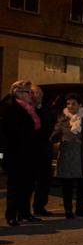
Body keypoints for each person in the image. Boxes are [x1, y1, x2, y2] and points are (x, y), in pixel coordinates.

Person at [50, 94, 83, 219]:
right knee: (67, 185)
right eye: (68, 104)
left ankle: (80, 209)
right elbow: (53, 136)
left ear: (80, 105)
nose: (70, 106)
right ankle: (68, 210)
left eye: (73, 103)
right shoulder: (62, 118)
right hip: (68, 156)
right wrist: (58, 133)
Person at [1, 80, 43, 226]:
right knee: (15, 187)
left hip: (30, 154)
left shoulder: (30, 109)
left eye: (31, 92)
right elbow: (11, 133)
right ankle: (12, 215)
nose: (31, 94)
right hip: (16, 154)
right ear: (18, 93)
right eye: (28, 92)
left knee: (28, 185)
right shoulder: (12, 109)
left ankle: (25, 213)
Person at [31, 84, 55, 217]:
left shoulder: (46, 108)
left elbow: (50, 123)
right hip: (31, 149)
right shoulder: (28, 109)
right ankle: (23, 209)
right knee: (29, 181)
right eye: (36, 93)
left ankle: (40, 206)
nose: (39, 96)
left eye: (40, 94)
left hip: (45, 148)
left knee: (44, 179)